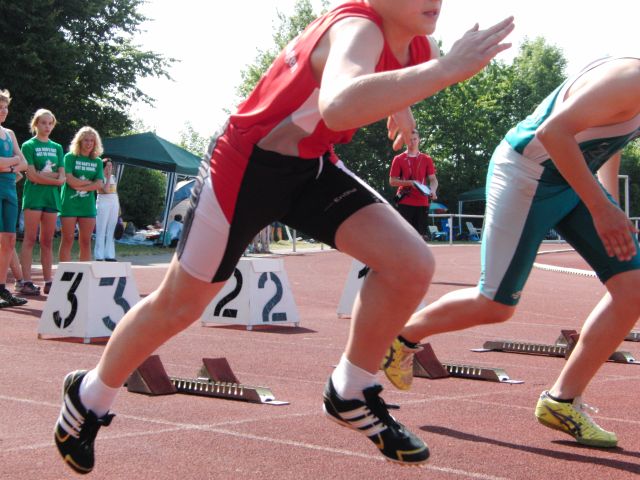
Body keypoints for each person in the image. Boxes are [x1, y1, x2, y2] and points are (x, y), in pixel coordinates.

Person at [53, 1, 514, 472]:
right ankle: (89, 395)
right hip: (245, 168)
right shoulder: (359, 29)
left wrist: (403, 105)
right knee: (180, 305)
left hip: (311, 168)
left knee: (411, 263)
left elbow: (380, 79)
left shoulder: (419, 44)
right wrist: (445, 71)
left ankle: (350, 390)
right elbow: (340, 104)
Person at [382, 55, 640, 449]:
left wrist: (610, 204)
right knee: (495, 305)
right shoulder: (629, 79)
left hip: (570, 178)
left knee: (633, 288)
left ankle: (562, 402)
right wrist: (600, 208)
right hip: (526, 175)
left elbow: (608, 144)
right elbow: (554, 132)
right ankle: (402, 336)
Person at [20, 109, 65, 295]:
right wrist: (53, 178)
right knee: (30, 239)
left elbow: (62, 177)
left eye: (50, 123)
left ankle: (48, 281)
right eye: (43, 123)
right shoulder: (28, 145)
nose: (47, 126)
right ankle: (26, 281)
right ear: (36, 124)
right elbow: (31, 176)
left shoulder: (58, 147)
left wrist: (43, 176)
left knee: (47, 241)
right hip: (34, 197)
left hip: (51, 198)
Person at [58, 127, 104, 262]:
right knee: (67, 239)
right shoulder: (70, 157)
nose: (89, 143)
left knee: (85, 241)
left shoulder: (97, 161)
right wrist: (90, 183)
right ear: (79, 141)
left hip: (87, 206)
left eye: (92, 141)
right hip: (69, 204)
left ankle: (84, 272)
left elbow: (99, 184)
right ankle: (65, 271)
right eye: (86, 140)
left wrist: (80, 185)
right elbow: (70, 180)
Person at [0, 89, 28, 308]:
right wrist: (13, 163)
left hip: (10, 190)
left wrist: (7, 164)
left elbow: (24, 163)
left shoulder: (9, 133)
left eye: (5, 107)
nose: (3, 111)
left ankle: (2, 288)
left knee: (9, 240)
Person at [389, 129, 438, 239]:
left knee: (421, 236)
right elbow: (392, 181)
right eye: (410, 140)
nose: (413, 142)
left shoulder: (427, 159)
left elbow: (433, 180)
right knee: (404, 235)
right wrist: (410, 183)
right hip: (404, 200)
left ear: (419, 140)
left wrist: (433, 190)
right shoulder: (398, 159)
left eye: (415, 139)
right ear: (406, 141)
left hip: (422, 201)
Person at [94, 158, 119, 261]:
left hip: (114, 203)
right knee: (101, 229)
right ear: (103, 167)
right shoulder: (99, 177)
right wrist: (108, 178)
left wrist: (118, 208)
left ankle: (109, 255)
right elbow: (106, 190)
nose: (109, 168)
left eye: (111, 166)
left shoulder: (113, 177)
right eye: (107, 165)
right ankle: (99, 255)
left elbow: (114, 192)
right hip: (103, 204)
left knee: (111, 229)